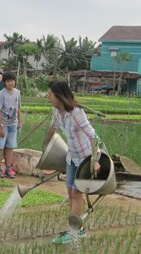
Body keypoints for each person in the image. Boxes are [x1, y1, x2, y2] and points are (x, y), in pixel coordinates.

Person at [43, 80, 101, 244]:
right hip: (71, 157)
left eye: (51, 95)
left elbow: (93, 136)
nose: (49, 97)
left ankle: (75, 231)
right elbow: (53, 127)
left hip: (85, 159)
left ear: (59, 96)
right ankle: (76, 228)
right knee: (70, 193)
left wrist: (95, 160)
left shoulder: (76, 113)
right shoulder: (56, 112)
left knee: (76, 194)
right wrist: (46, 146)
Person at [0, 71, 21, 179]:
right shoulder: (1, 94)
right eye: (8, 81)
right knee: (0, 146)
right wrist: (0, 126)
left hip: (13, 124)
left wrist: (20, 121)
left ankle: (8, 168)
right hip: (3, 124)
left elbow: (19, 108)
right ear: (5, 82)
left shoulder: (17, 93)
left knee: (10, 146)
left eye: (12, 81)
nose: (10, 83)